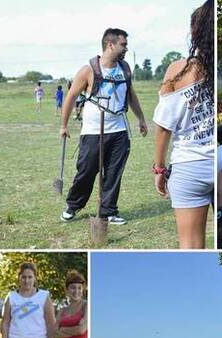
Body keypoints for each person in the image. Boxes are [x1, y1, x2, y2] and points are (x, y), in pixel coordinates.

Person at [59, 28, 148, 225]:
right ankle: (73, 205)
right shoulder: (89, 70)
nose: (126, 48)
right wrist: (64, 125)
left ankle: (108, 211)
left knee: (114, 172)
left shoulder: (125, 68)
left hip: (119, 130)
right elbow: (71, 96)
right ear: (110, 44)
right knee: (87, 171)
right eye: (123, 44)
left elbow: (130, 95)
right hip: (93, 131)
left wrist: (141, 119)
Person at [152, 0, 214, 248]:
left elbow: (164, 127)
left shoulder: (178, 71)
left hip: (189, 166)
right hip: (220, 162)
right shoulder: (213, 69)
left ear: (195, 32)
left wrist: (159, 169)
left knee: (190, 246)